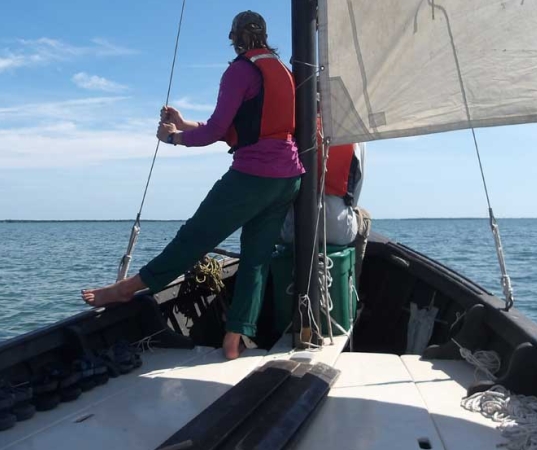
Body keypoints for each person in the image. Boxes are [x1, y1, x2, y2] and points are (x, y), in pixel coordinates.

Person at [82, 10, 304, 360]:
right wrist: (184, 124)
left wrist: (174, 139)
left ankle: (127, 289)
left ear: (234, 38)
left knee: (193, 239)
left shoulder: (239, 71)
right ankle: (235, 338)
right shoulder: (284, 72)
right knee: (256, 259)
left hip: (253, 177)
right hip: (288, 178)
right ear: (263, 37)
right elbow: (243, 126)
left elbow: (217, 130)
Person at [281, 140, 372, 279]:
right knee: (364, 217)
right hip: (338, 228)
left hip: (295, 231)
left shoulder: (291, 129)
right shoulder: (355, 135)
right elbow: (355, 195)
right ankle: (354, 287)